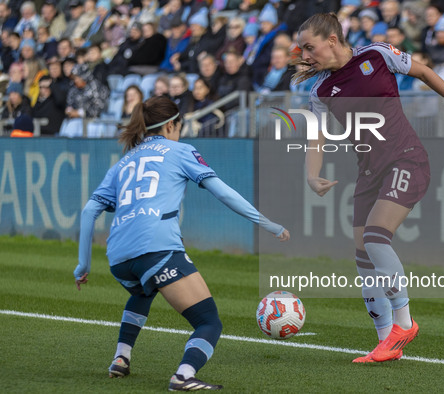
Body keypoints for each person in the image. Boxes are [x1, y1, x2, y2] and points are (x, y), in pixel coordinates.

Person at [294, 13, 444, 363]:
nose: (305, 55)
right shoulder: (320, 89)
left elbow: (423, 72)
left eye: (310, 47)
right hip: (369, 171)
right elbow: (315, 136)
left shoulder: (377, 54)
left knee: (377, 238)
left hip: (406, 158)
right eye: (302, 48)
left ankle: (405, 324)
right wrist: (312, 175)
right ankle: (385, 344)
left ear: (332, 40)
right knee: (364, 257)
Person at [73, 95, 289, 391]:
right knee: (209, 322)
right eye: (180, 125)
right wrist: (270, 225)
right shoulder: (179, 150)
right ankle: (183, 375)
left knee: (143, 291)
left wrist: (82, 265)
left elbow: (88, 212)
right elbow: (224, 194)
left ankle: (121, 358)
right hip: (157, 249)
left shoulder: (123, 162)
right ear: (172, 124)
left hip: (118, 257)